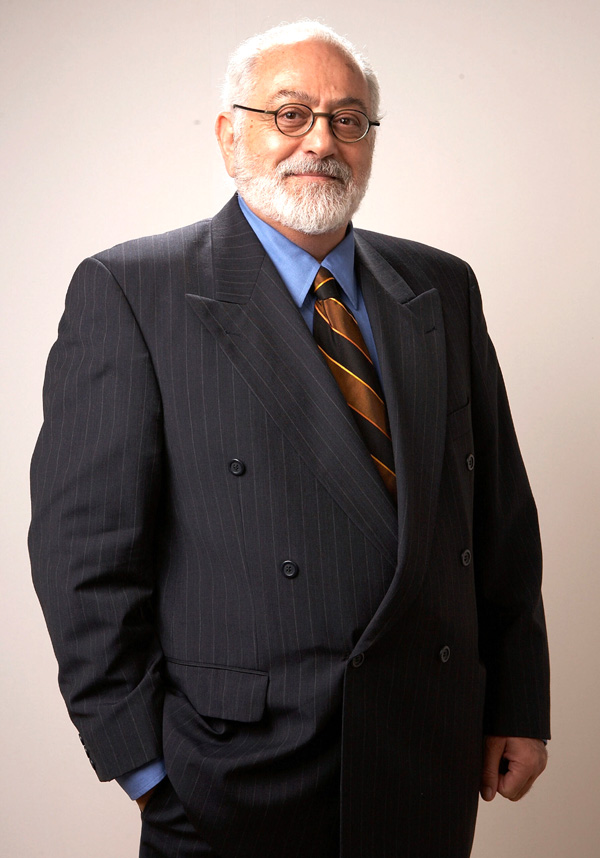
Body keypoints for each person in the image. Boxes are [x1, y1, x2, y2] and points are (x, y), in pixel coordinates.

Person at [29, 20, 549, 858]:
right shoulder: (132, 290)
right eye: (290, 113)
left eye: (348, 119)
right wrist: (145, 769)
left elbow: (495, 518)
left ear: (371, 141)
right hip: (234, 773)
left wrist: (517, 704)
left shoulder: (442, 286)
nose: (320, 140)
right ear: (231, 133)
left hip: (427, 752)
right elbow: (83, 556)